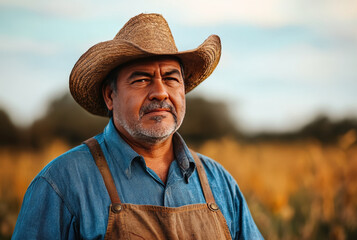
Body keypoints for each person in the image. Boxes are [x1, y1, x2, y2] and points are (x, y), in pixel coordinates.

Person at [12, 13, 263, 240]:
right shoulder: (61, 183)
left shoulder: (219, 182)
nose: (160, 93)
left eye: (171, 78)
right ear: (110, 96)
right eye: (142, 79)